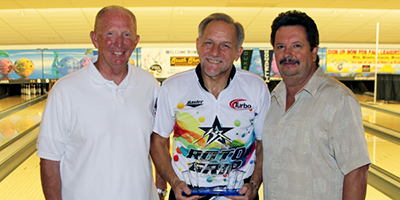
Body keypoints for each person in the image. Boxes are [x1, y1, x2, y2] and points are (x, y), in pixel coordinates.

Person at [36, 5, 160, 200]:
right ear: (95, 39)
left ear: (136, 41)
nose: (119, 43)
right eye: (110, 33)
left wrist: (160, 190)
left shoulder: (149, 84)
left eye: (127, 35)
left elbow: (159, 143)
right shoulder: (65, 90)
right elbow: (49, 160)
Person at [150, 13, 270, 200]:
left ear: (238, 52)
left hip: (239, 194)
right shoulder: (173, 87)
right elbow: (158, 141)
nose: (215, 52)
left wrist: (254, 184)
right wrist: (174, 183)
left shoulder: (256, 87)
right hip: (187, 193)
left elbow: (264, 143)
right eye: (209, 43)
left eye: (225, 45)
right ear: (198, 45)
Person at [262, 10, 371, 200]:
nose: (287, 54)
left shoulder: (338, 99)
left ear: (314, 52)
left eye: (297, 46)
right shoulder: (271, 99)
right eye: (280, 46)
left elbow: (357, 171)